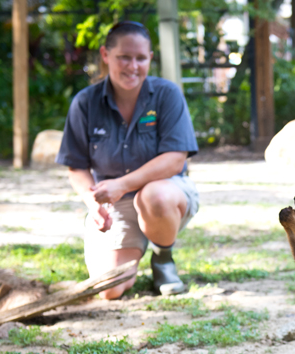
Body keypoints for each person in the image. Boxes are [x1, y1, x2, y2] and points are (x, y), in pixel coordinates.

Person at [56, 21, 199, 298]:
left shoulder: (168, 94)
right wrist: (92, 203)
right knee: (108, 289)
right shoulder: (84, 103)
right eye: (124, 57)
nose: (132, 66)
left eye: (140, 58)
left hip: (166, 192)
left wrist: (122, 183)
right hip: (114, 205)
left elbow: (174, 160)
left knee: (153, 195)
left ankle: (163, 257)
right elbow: (76, 167)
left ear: (150, 59)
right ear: (105, 55)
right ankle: (134, 251)